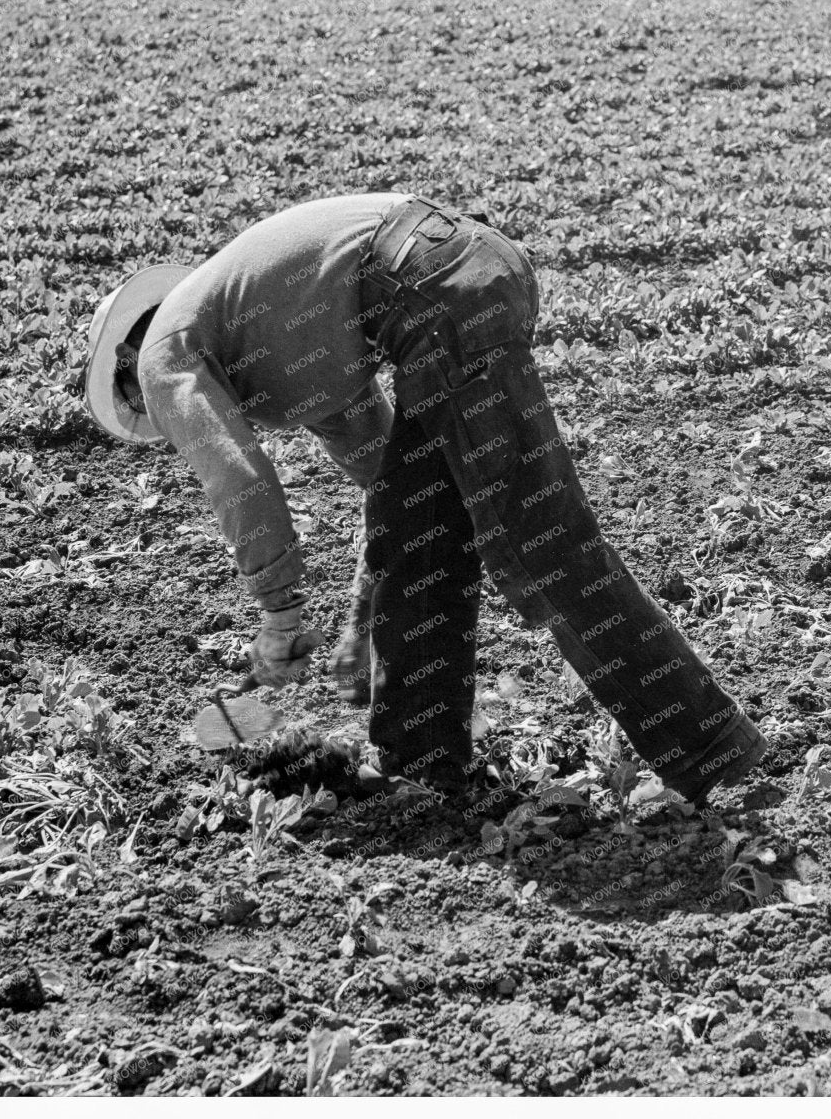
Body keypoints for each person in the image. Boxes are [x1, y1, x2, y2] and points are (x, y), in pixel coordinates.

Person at [80, 193, 766, 811]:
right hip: (456, 275)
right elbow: (392, 482)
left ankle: (712, 749)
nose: (159, 423)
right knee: (424, 537)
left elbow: (241, 481)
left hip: (437, 295)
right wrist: (364, 615)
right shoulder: (265, 337)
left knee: (541, 545)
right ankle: (421, 765)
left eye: (141, 412)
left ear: (127, 368)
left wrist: (280, 616)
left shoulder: (163, 354)